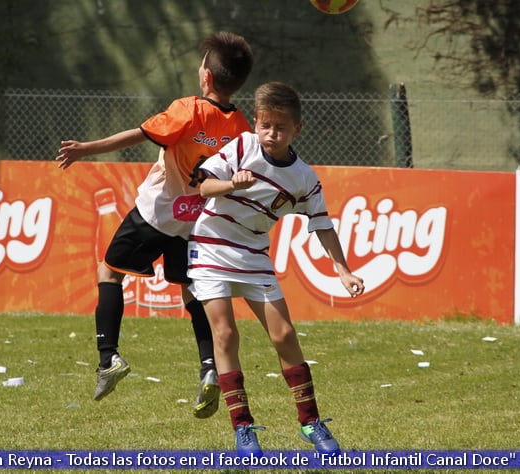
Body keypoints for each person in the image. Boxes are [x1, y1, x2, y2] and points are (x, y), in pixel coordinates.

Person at [55, 32, 254, 419]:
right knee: (191, 291)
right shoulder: (242, 127)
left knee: (109, 272)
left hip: (156, 213)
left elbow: (140, 134)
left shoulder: (188, 110)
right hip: (196, 223)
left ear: (207, 78)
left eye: (202, 64)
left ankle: (108, 357)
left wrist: (85, 149)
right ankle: (209, 366)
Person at [186, 82, 365, 455]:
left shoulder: (304, 178)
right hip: (211, 246)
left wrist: (343, 270)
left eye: (280, 127)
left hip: (254, 253)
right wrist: (229, 183)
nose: (271, 133)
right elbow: (203, 187)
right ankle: (243, 429)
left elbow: (322, 225)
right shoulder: (241, 147)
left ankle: (311, 422)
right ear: (256, 124)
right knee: (225, 334)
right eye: (265, 125)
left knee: (283, 334)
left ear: (297, 130)